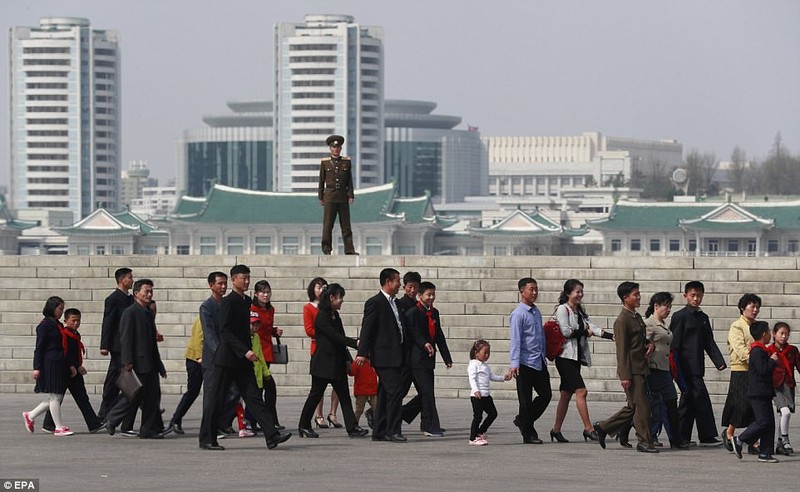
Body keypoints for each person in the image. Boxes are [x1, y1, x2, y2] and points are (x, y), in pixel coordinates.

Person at [198, 264, 291, 451]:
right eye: (243, 278)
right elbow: (225, 331)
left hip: (243, 360)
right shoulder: (228, 302)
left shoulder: (246, 301)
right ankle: (207, 438)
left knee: (254, 397)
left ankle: (271, 436)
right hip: (227, 359)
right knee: (216, 398)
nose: (246, 281)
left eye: (248, 278)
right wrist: (244, 350)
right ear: (234, 280)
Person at [594, 281, 658, 453]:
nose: (639, 297)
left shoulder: (635, 317)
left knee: (634, 407)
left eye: (638, 293)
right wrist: (625, 376)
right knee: (641, 407)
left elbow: (640, 340)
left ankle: (603, 427)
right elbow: (621, 350)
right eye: (635, 294)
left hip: (641, 366)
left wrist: (650, 344)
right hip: (632, 370)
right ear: (625, 298)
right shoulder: (622, 321)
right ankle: (644, 441)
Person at [298, 283, 368, 439]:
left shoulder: (335, 315)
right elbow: (335, 337)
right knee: (315, 395)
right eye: (339, 297)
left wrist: (348, 360)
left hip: (336, 364)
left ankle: (352, 427)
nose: (341, 301)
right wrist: (356, 343)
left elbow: (340, 341)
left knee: (344, 396)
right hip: (323, 365)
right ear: (331, 298)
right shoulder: (322, 316)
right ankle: (303, 425)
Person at [105, 279, 171, 439]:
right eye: (146, 291)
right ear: (136, 294)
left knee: (152, 397)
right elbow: (126, 338)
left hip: (150, 362)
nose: (149, 294)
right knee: (131, 394)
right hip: (137, 362)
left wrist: (159, 364)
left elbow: (152, 343)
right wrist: (127, 361)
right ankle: (112, 419)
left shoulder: (148, 313)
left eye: (151, 291)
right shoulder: (130, 312)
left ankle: (148, 429)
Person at [669, 280, 727, 447]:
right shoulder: (680, 317)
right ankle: (706, 436)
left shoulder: (703, 317)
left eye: (699, 295)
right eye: (692, 295)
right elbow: (674, 344)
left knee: (689, 402)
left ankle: (681, 436)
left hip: (697, 366)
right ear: (685, 296)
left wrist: (719, 362)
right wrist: (674, 367)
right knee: (701, 400)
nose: (696, 298)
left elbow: (709, 341)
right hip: (684, 366)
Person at [355, 268, 407, 442]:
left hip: (397, 354)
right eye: (397, 280)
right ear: (388, 282)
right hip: (383, 356)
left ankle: (379, 431)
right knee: (396, 391)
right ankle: (393, 430)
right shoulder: (375, 303)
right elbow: (367, 328)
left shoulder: (397, 303)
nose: (400, 284)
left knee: (385, 393)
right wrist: (362, 352)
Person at [550, 279, 603, 443]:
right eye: (577, 292)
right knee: (581, 391)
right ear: (568, 294)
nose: (580, 294)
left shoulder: (579, 311)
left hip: (575, 358)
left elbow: (591, 326)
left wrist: (610, 336)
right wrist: (584, 332)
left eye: (581, 291)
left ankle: (556, 430)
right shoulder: (562, 309)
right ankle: (589, 429)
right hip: (565, 358)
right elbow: (566, 332)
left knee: (566, 394)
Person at [401, 281, 452, 437]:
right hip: (416, 359)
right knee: (427, 393)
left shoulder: (434, 313)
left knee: (426, 393)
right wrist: (424, 344)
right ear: (420, 296)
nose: (431, 297)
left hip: (428, 359)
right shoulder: (412, 313)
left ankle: (420, 421)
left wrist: (446, 357)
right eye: (428, 295)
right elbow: (413, 334)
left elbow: (439, 335)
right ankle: (430, 426)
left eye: (433, 294)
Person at [41, 308, 104, 433]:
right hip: (67, 371)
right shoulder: (65, 334)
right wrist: (75, 366)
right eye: (73, 320)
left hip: (72, 370)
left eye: (78, 320)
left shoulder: (74, 334)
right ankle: (93, 423)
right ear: (65, 320)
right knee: (61, 398)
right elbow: (66, 353)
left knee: (78, 398)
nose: (76, 323)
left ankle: (49, 424)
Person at [506, 277, 551, 444]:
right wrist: (514, 363)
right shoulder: (518, 314)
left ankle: (522, 420)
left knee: (546, 395)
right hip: (524, 363)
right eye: (531, 289)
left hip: (538, 361)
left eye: (536, 289)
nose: (534, 293)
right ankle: (528, 433)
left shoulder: (536, 311)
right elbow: (515, 340)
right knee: (525, 401)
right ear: (521, 292)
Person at [23, 297, 73, 437]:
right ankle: (58, 426)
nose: (61, 312)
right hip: (50, 363)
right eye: (59, 309)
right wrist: (36, 367)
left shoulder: (57, 324)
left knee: (55, 396)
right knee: (56, 396)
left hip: (58, 362)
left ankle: (31, 415)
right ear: (52, 308)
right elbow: (39, 348)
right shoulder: (45, 325)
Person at [644, 292, 689, 449]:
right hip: (653, 369)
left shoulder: (662, 324)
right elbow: (641, 344)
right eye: (666, 306)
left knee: (671, 403)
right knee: (653, 406)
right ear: (656, 306)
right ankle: (626, 430)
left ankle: (675, 440)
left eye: (670, 306)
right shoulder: (649, 324)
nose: (668, 309)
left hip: (665, 369)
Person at [732, 321, 780, 463]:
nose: (771, 335)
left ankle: (765, 453)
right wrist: (771, 361)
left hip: (764, 392)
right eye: (769, 332)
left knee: (769, 423)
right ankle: (740, 439)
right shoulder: (757, 351)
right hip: (758, 392)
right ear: (764, 334)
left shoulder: (760, 350)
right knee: (763, 421)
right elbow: (762, 370)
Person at [98, 267, 135, 435]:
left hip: (128, 345)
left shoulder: (130, 299)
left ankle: (107, 415)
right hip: (118, 346)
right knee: (117, 381)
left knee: (124, 381)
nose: (132, 280)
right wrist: (104, 345)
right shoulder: (113, 299)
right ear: (121, 280)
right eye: (129, 277)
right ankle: (105, 415)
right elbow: (108, 322)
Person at [721, 293, 761, 451]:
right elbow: (740, 350)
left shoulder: (758, 326)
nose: (755, 309)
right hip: (741, 370)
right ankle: (730, 432)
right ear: (743, 308)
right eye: (752, 306)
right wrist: (757, 359)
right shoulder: (737, 326)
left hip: (755, 371)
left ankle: (753, 440)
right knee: (741, 405)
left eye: (757, 307)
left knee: (755, 406)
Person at [302, 277, 340, 429]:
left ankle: (333, 413)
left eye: (323, 287)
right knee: (319, 387)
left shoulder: (330, 308)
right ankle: (318, 415)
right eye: (317, 287)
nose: (320, 290)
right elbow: (309, 329)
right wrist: (326, 334)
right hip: (319, 348)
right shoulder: (309, 308)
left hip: (334, 349)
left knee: (338, 385)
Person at [250, 280, 284, 429]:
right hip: (256, 352)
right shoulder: (251, 309)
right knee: (262, 389)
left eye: (268, 292)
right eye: (262, 292)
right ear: (256, 294)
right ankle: (263, 421)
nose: (265, 295)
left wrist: (274, 331)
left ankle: (268, 420)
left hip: (267, 352)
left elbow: (266, 328)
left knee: (265, 389)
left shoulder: (271, 310)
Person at [318, 134, 357, 255]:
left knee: (346, 226)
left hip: (342, 196)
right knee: (328, 225)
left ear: (340, 148)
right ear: (330, 148)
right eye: (333, 147)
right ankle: (326, 248)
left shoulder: (346, 162)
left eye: (338, 147)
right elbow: (321, 180)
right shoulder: (325, 163)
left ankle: (349, 249)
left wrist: (350, 195)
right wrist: (321, 196)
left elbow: (349, 180)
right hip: (329, 195)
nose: (336, 149)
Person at [468, 340, 510, 446]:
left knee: (493, 413)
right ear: (476, 353)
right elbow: (472, 379)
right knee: (478, 416)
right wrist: (475, 390)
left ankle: (480, 431)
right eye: (485, 353)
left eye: (488, 353)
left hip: (486, 395)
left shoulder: (485, 366)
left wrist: (503, 378)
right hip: (477, 396)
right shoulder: (473, 365)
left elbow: (492, 376)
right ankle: (473, 439)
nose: (487, 355)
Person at [168, 316, 203, 434]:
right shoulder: (205, 314)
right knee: (193, 391)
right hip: (195, 359)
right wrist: (200, 357)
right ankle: (176, 419)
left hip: (208, 358)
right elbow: (199, 338)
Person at [770, 322, 799, 456]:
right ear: (774, 334)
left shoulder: (792, 350)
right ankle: (786, 440)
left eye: (787, 334)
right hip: (775, 386)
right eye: (781, 333)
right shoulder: (769, 350)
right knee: (785, 412)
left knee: (785, 415)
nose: (784, 336)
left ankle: (780, 443)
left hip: (788, 384)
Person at [351, 355, 378, 429]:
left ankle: (378, 424)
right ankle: (354, 424)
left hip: (373, 390)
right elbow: (352, 372)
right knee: (359, 409)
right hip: (361, 391)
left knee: (377, 407)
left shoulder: (373, 361)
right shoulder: (359, 361)